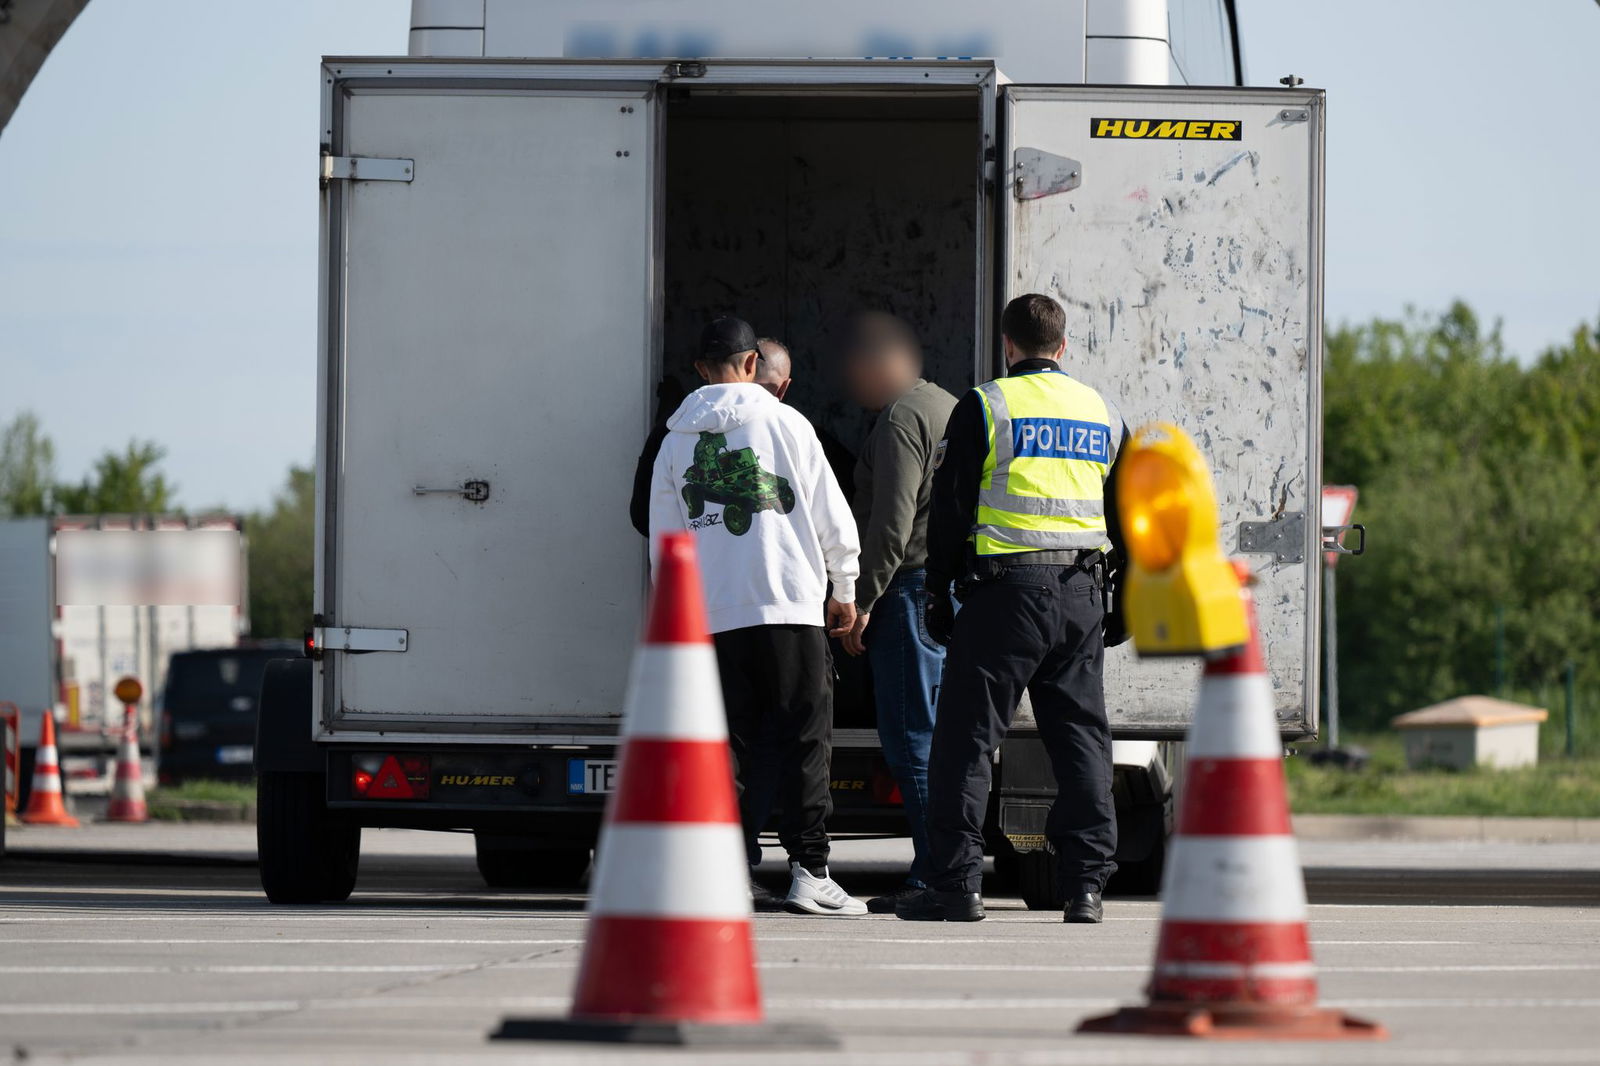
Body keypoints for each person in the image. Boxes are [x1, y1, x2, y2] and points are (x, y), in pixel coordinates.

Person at [896, 293, 1129, 925]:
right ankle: (1085, 889)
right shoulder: (1103, 413)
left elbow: (951, 508)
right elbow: (1128, 512)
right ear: (1063, 345)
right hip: (1081, 592)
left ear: (1007, 344)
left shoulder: (986, 405)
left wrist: (937, 589)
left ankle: (956, 885)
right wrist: (1124, 597)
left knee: (967, 740)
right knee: (1081, 739)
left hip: (1005, 595)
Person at [648, 316, 868, 917]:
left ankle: (728, 875)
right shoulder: (788, 422)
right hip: (789, 603)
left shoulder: (674, 442)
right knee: (805, 739)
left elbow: (665, 545)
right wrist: (845, 585)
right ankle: (810, 871)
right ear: (752, 363)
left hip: (712, 615)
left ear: (701, 369)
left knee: (727, 747)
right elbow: (829, 511)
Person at [836, 313, 957, 913]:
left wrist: (861, 601)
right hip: (949, 592)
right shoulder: (952, 407)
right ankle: (950, 866)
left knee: (911, 738)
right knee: (943, 740)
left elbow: (892, 523)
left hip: (907, 591)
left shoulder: (901, 419)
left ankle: (936, 874)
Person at [631, 337, 791, 536]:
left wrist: (704, 538)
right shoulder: (794, 428)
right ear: (783, 388)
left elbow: (644, 516)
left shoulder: (674, 429)